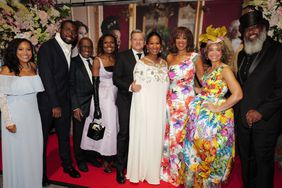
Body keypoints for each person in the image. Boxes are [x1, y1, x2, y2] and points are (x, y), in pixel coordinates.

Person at [183, 27, 243, 187]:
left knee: (211, 153)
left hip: (216, 119)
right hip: (201, 118)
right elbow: (207, 89)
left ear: (223, 52)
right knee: (198, 151)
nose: (214, 53)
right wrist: (194, 90)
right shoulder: (209, 69)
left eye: (218, 50)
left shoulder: (225, 70)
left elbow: (237, 94)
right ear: (206, 52)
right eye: (211, 50)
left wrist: (218, 108)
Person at [236, 9, 282, 188]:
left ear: (264, 28)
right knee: (247, 161)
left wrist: (261, 111)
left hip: (266, 120)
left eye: (255, 27)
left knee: (263, 163)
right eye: (248, 29)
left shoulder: (277, 51)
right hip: (243, 119)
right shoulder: (242, 54)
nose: (252, 31)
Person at [37, 20, 80, 186]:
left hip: (64, 103)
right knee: (43, 141)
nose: (70, 33)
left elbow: (67, 80)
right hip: (48, 103)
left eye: (73, 31)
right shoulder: (48, 47)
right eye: (68, 29)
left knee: (63, 138)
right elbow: (46, 77)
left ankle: (67, 166)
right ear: (60, 29)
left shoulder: (70, 49)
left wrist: (68, 104)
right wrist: (55, 104)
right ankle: (41, 174)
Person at [160, 26, 204, 186]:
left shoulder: (195, 57)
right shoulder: (169, 57)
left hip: (186, 103)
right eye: (178, 37)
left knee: (184, 138)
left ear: (188, 41)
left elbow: (202, 79)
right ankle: (171, 171)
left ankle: (184, 174)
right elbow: (163, 80)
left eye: (184, 38)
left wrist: (212, 93)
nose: (181, 41)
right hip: (170, 102)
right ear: (174, 40)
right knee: (171, 136)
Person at [0, 38, 44, 188]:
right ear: (14, 51)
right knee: (18, 155)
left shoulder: (33, 66)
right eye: (21, 49)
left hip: (33, 115)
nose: (25, 53)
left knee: (34, 154)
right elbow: (1, 97)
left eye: (28, 49)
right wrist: (8, 121)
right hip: (15, 116)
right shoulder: (7, 69)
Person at [126, 31, 169, 185]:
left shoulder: (164, 63)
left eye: (157, 43)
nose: (155, 46)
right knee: (144, 137)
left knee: (156, 139)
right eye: (151, 43)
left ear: (161, 45)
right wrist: (142, 113)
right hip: (145, 109)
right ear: (147, 45)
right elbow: (137, 88)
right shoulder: (141, 63)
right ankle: (140, 170)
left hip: (160, 109)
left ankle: (153, 171)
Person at [80, 33, 119, 173]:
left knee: (114, 127)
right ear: (102, 45)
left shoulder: (116, 58)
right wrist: (96, 107)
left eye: (112, 42)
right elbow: (94, 85)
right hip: (102, 98)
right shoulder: (98, 60)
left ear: (116, 44)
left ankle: (110, 155)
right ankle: (105, 160)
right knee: (104, 127)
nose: (109, 45)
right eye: (106, 43)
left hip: (115, 96)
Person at [113, 29, 145, 184]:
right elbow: (116, 79)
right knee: (124, 134)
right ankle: (120, 168)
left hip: (144, 103)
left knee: (139, 134)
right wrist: (130, 87)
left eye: (141, 39)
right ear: (131, 41)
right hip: (126, 101)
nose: (138, 42)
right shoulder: (122, 56)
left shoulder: (150, 58)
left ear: (144, 41)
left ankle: (135, 165)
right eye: (135, 39)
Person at [70, 37, 95, 172]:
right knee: (79, 134)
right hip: (80, 105)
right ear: (79, 48)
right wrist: (75, 107)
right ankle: (80, 160)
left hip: (94, 105)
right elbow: (71, 86)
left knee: (92, 131)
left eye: (90, 47)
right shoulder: (73, 63)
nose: (87, 49)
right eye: (84, 47)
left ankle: (90, 156)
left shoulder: (94, 61)